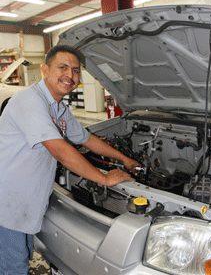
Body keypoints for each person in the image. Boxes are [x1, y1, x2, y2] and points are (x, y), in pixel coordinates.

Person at [0, 45, 139, 274]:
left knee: (20, 259)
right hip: (7, 202)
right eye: (62, 67)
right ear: (45, 70)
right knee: (13, 266)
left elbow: (86, 139)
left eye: (75, 70)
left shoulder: (58, 108)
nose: (70, 75)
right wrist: (103, 178)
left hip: (24, 203)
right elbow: (60, 150)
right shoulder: (30, 101)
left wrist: (124, 159)